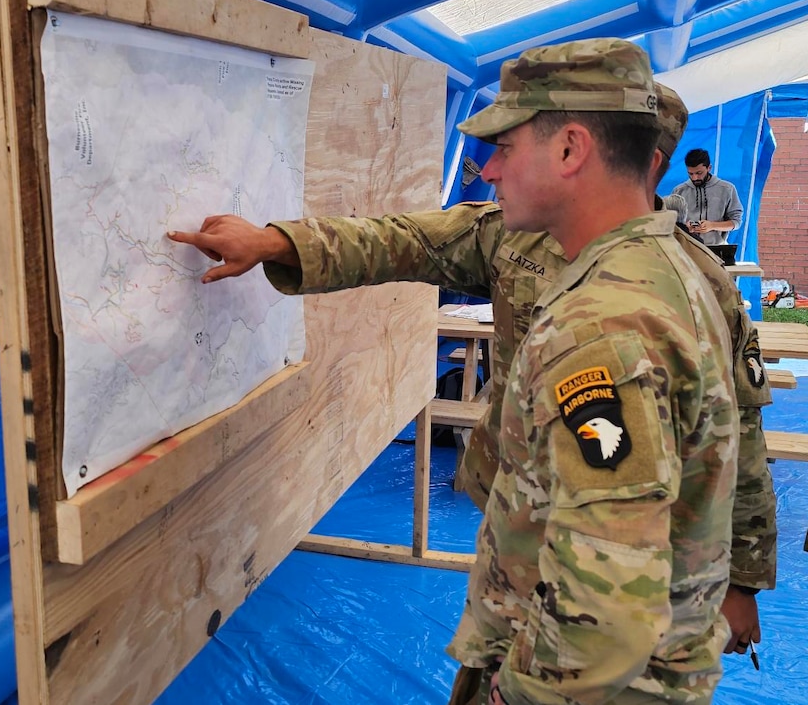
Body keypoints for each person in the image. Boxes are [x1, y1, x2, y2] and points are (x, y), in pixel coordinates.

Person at [171, 39, 739, 703]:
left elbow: (610, 606)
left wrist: (516, 695)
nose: (489, 169)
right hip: (543, 615)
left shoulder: (604, 326)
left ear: (569, 149)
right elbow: (407, 239)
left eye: (506, 146)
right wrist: (274, 242)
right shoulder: (613, 263)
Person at [671, 148, 744, 245]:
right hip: (687, 250)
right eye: (690, 174)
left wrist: (712, 225)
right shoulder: (679, 191)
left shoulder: (727, 189)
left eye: (699, 173)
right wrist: (684, 228)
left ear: (709, 168)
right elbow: (670, 222)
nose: (694, 178)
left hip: (717, 250)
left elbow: (736, 222)